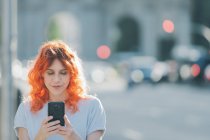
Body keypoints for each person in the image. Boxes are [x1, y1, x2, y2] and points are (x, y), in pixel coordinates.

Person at [14, 40, 106, 140]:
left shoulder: (92, 106)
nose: (57, 79)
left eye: (63, 73)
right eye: (50, 73)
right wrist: (40, 137)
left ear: (72, 74)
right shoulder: (25, 109)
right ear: (41, 74)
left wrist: (73, 137)